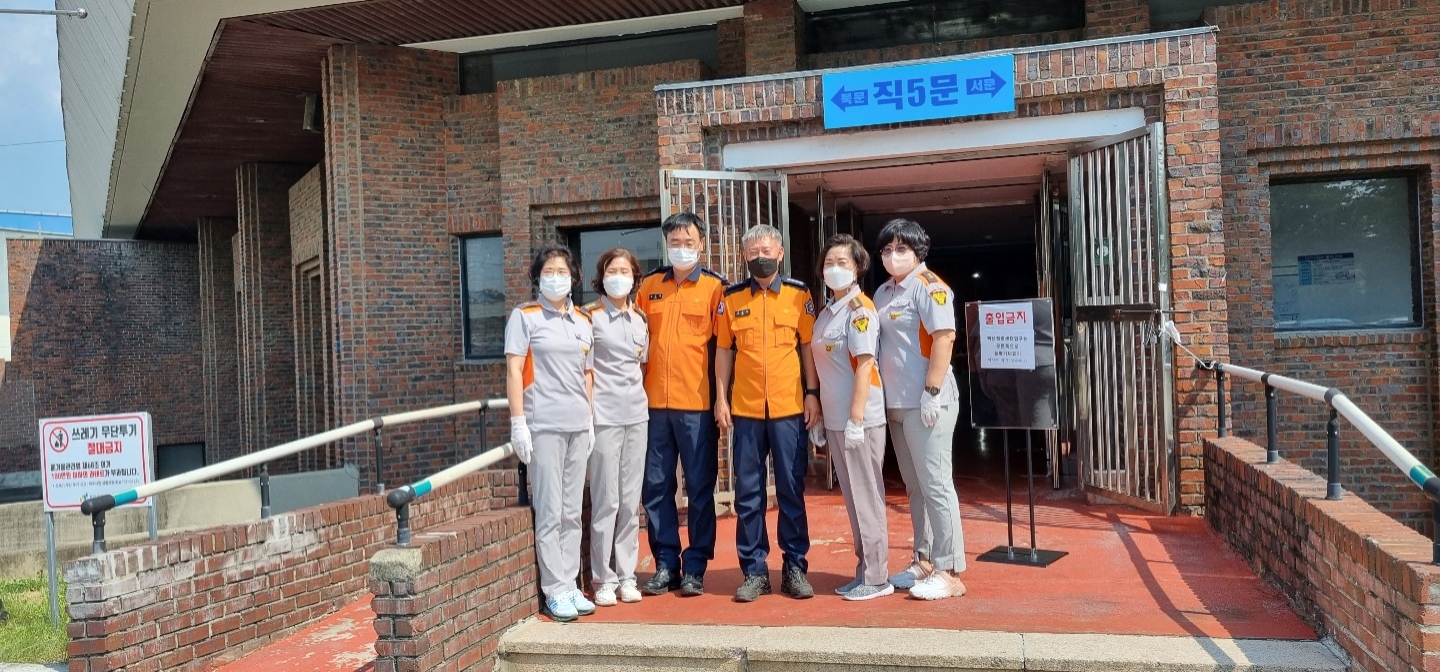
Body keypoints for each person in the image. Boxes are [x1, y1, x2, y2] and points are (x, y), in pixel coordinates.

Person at [714, 224, 820, 602]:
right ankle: (755, 571)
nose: (760, 256)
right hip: (745, 409)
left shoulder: (798, 294)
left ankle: (794, 567)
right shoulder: (731, 298)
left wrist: (812, 393)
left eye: (766, 250)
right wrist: (721, 399)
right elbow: (724, 351)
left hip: (789, 408)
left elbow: (807, 347)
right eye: (753, 251)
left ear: (780, 254)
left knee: (791, 488)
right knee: (748, 494)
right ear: (745, 256)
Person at [873, 218, 968, 600]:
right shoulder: (883, 292)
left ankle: (950, 569)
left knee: (936, 485)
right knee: (915, 487)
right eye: (887, 249)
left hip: (927, 401)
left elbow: (944, 337)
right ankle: (924, 560)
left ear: (918, 252)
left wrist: (931, 390)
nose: (893, 256)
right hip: (896, 403)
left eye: (901, 249)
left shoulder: (930, 288)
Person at [636, 212, 728, 597]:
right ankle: (665, 563)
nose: (681, 249)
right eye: (675, 242)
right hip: (653, 405)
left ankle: (695, 566)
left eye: (689, 242)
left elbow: (724, 350)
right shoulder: (649, 286)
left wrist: (721, 400)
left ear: (701, 245)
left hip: (696, 405)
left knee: (700, 486)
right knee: (655, 486)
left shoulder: (715, 288)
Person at [505, 243, 596, 622]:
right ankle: (554, 589)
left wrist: (590, 419)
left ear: (573, 277)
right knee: (550, 510)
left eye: (562, 271)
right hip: (543, 425)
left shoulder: (583, 321)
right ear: (537, 278)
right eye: (548, 272)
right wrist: (518, 423)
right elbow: (514, 371)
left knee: (572, 511)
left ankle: (570, 583)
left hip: (577, 425)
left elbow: (587, 374)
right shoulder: (524, 317)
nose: (556, 278)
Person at [808, 234, 892, 601]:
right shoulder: (829, 311)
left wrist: (856, 419)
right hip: (837, 420)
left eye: (842, 262)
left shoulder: (859, 309)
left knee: (867, 498)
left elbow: (865, 365)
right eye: (829, 263)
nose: (834, 269)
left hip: (860, 420)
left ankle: (877, 577)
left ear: (857, 268)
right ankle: (863, 571)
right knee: (854, 500)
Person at [580, 248, 649, 606]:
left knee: (630, 501)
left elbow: (642, 367)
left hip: (637, 416)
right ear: (601, 276)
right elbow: (584, 371)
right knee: (606, 499)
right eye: (612, 270)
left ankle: (627, 575)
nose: (618, 276)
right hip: (603, 418)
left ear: (635, 277)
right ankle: (602, 579)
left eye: (624, 271)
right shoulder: (589, 317)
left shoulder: (640, 320)